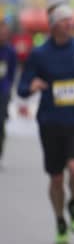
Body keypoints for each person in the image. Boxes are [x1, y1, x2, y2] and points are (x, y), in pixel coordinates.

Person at [17, 3, 74, 244]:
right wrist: (31, 87)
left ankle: (73, 202)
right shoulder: (39, 54)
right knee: (55, 179)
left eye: (70, 19)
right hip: (50, 121)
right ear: (53, 25)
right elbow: (23, 87)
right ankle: (60, 220)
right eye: (64, 20)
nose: (69, 24)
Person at [0, 21, 17, 168]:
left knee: (0, 124)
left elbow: (12, 72)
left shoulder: (10, 51)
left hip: (2, 92)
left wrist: (8, 88)